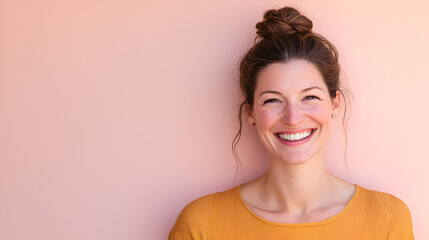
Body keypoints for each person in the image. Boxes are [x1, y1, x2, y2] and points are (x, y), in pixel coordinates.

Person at [169, 6, 413, 239]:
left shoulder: (387, 218)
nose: (293, 118)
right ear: (251, 112)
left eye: (309, 97)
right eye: (273, 100)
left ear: (334, 103)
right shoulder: (202, 223)